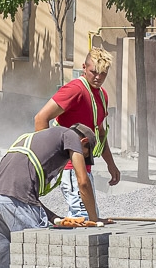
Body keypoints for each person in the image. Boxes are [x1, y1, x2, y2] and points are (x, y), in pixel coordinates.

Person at [0, 124, 101, 268]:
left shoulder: (35, 139)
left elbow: (26, 195)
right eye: (84, 154)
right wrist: (95, 220)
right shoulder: (71, 136)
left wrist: (57, 219)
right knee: (38, 260)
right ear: (83, 142)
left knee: (4, 266)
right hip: (17, 201)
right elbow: (83, 182)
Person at [33, 48, 120, 219]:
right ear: (84, 68)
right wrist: (47, 162)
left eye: (103, 73)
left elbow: (100, 132)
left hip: (85, 166)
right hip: (70, 167)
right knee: (83, 219)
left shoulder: (101, 95)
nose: (98, 77)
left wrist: (111, 164)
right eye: (94, 72)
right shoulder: (75, 89)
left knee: (86, 219)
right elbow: (40, 119)